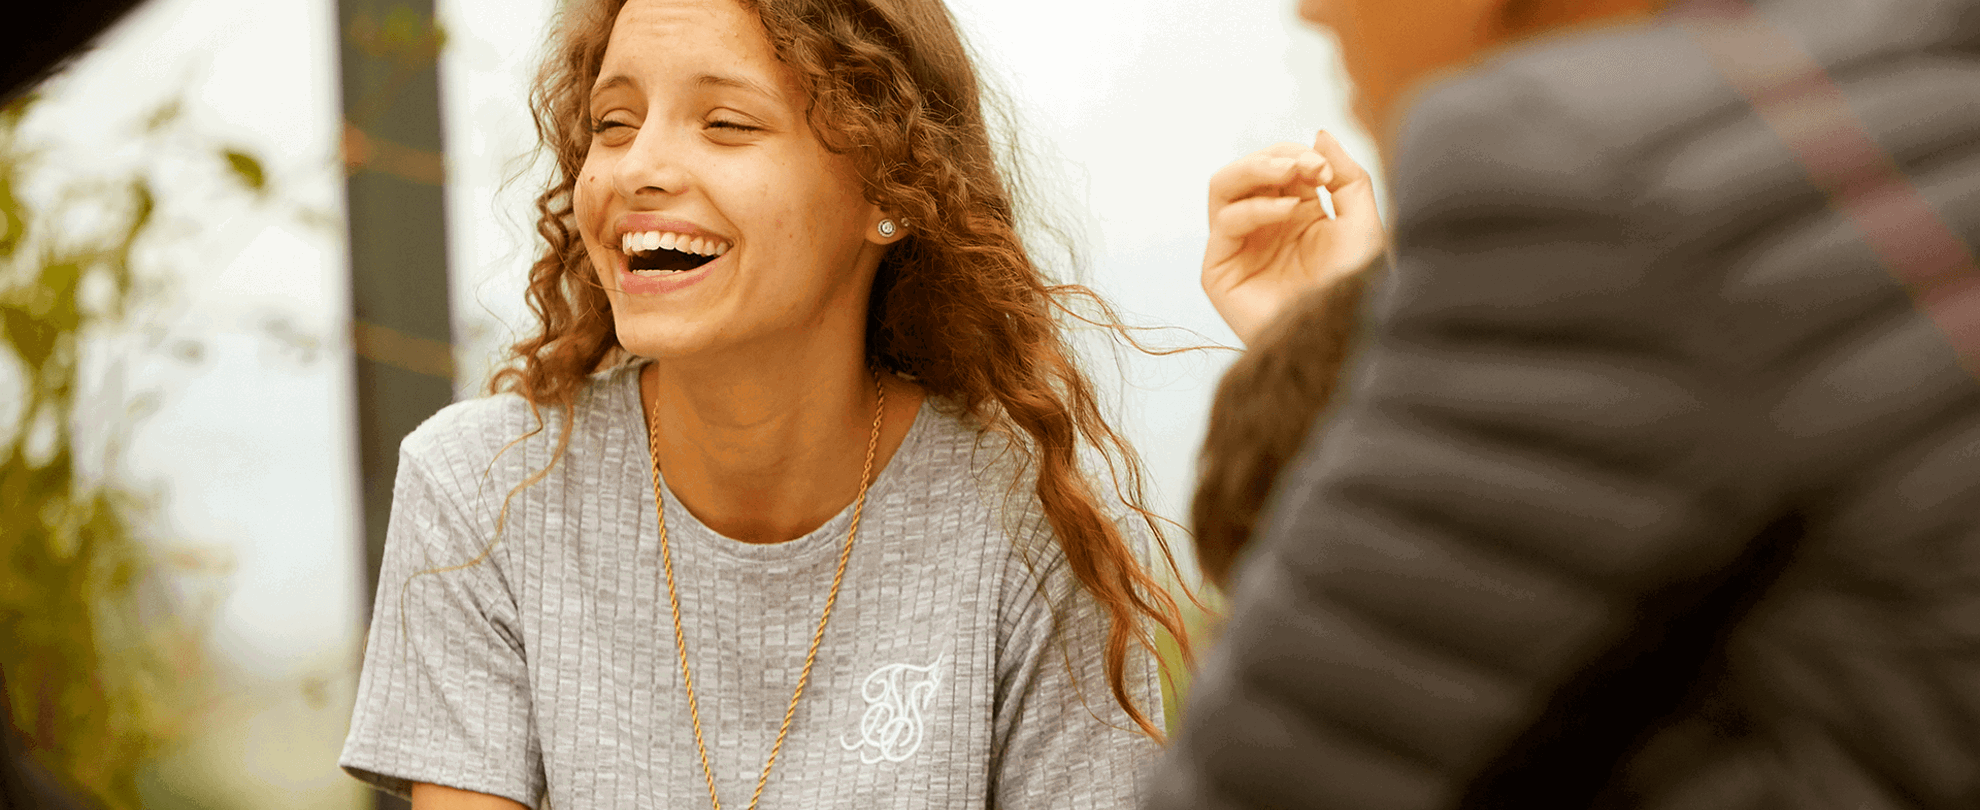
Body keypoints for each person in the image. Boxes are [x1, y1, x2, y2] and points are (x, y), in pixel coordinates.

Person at [336, 0, 1193, 807]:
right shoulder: (479, 491)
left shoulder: (1036, 521)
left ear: (890, 191)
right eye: (614, 123)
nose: (637, 170)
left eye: (726, 124)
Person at [1154, 0, 1980, 806]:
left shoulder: (1565, 161)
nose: (1314, 13)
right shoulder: (1914, 72)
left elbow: (1279, 769)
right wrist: (1333, 337)